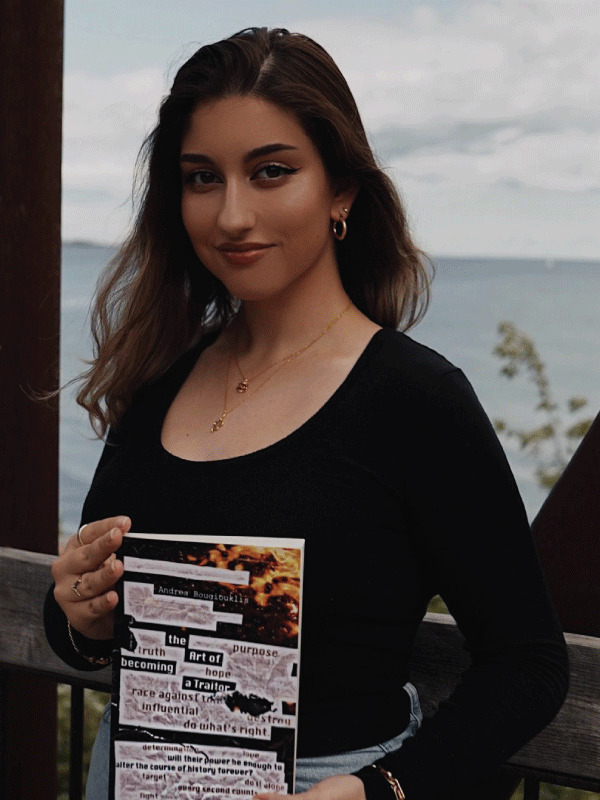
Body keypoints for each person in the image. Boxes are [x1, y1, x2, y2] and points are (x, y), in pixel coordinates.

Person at [45, 27, 569, 800]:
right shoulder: (161, 379)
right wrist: (81, 618)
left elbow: (529, 664)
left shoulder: (414, 400)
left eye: (271, 172)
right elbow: (91, 630)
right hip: (129, 777)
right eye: (201, 178)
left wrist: (378, 791)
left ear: (342, 191)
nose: (230, 216)